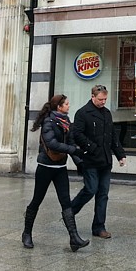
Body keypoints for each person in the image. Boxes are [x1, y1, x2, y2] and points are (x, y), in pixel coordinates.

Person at [22, 94, 89, 252]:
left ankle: (74, 238)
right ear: (59, 106)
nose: (69, 105)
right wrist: (74, 150)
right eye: (66, 103)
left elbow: (71, 142)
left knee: (66, 202)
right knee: (37, 200)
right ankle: (26, 233)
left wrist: (79, 162)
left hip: (60, 168)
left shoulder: (66, 122)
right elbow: (52, 144)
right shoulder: (49, 122)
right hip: (45, 167)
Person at [71, 84, 127, 239]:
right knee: (90, 189)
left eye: (105, 99)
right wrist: (92, 147)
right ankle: (70, 211)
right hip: (90, 159)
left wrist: (120, 155)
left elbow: (113, 137)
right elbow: (77, 134)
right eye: (101, 99)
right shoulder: (82, 113)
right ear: (93, 97)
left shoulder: (107, 113)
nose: (103, 102)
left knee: (103, 194)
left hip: (106, 161)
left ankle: (99, 227)